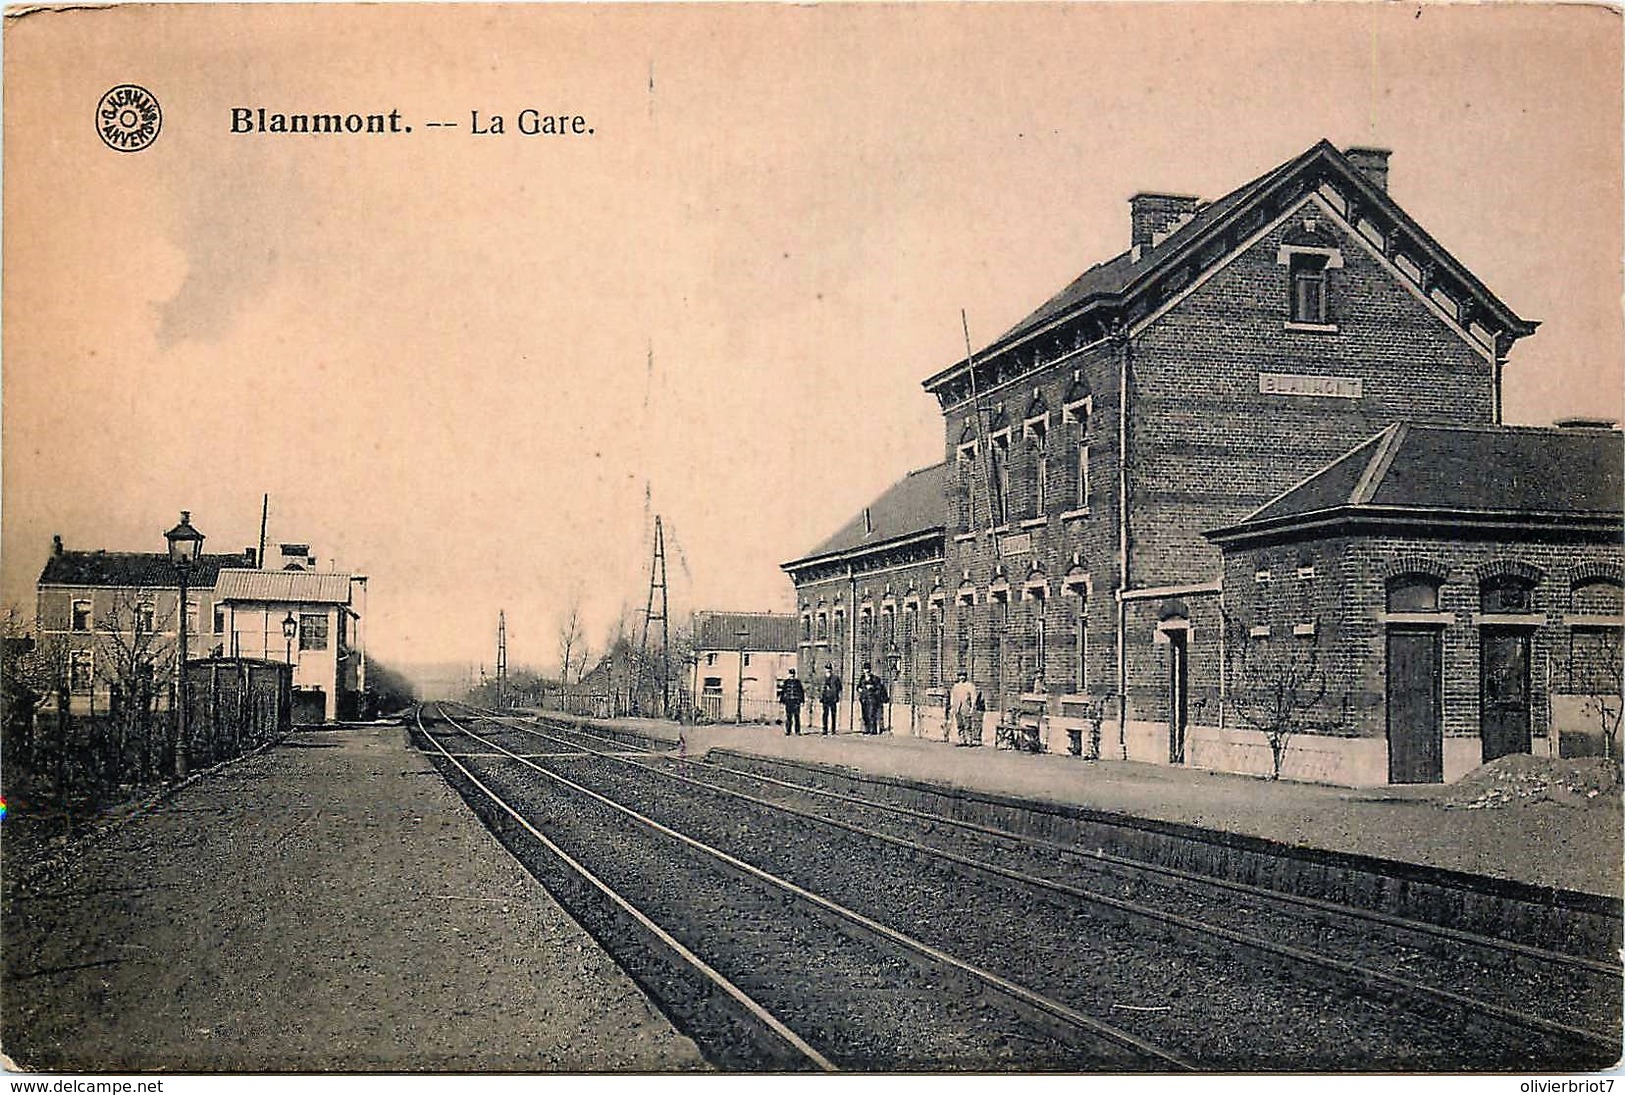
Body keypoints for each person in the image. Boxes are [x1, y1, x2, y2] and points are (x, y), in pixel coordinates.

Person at [948, 670, 982, 747]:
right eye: (960, 675)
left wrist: (972, 707)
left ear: (966, 676)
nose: (962, 677)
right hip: (957, 707)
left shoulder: (970, 685)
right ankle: (961, 740)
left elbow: (973, 697)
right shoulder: (956, 686)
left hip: (966, 706)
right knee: (960, 725)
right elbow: (952, 697)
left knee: (967, 724)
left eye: (963, 675)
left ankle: (969, 740)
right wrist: (952, 707)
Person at [857, 663, 888, 734]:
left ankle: (872, 730)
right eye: (865, 669)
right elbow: (858, 687)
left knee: (871, 714)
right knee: (864, 715)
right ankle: (866, 729)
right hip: (864, 699)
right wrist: (859, 689)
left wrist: (872, 687)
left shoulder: (875, 679)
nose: (866, 671)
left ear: (870, 670)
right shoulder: (862, 678)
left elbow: (879, 688)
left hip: (872, 699)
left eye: (868, 669)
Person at [778, 669, 805, 736]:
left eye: (793, 674)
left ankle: (797, 731)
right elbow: (783, 692)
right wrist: (782, 700)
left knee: (797, 717)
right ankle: (788, 731)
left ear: (794, 674)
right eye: (791, 674)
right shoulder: (786, 682)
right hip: (788, 701)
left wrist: (802, 701)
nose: (792, 675)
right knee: (788, 717)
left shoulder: (798, 682)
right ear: (789, 674)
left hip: (796, 701)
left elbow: (801, 692)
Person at [820, 664, 842, 735]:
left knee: (833, 714)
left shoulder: (835, 678)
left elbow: (839, 687)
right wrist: (821, 695)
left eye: (829, 669)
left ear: (831, 670)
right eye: (827, 668)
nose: (828, 670)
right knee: (825, 714)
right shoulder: (823, 678)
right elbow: (819, 688)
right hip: (825, 698)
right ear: (825, 669)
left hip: (832, 698)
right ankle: (824, 729)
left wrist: (836, 695)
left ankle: (833, 729)